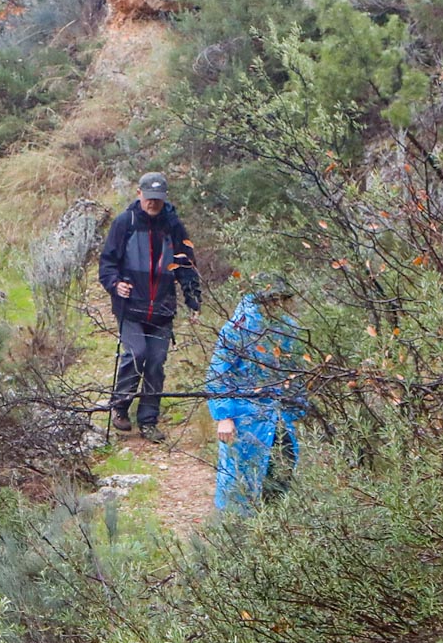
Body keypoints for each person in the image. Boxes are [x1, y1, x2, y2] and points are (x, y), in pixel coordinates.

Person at [98, 171, 201, 443]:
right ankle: (120, 406)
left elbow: (186, 265)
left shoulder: (173, 225)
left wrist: (193, 300)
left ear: (164, 198)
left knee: (155, 363)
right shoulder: (125, 222)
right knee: (136, 354)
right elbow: (107, 263)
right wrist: (115, 284)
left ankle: (148, 420)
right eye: (148, 197)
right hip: (131, 308)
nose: (152, 203)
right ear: (139, 194)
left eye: (158, 198)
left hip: (163, 310)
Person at [207, 274, 306, 513]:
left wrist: (298, 407)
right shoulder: (237, 329)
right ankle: (234, 528)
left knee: (281, 473)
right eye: (275, 299)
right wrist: (224, 416)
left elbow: (295, 372)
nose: (279, 304)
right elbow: (218, 373)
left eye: (283, 299)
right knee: (239, 480)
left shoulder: (288, 328)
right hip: (244, 417)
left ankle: (276, 526)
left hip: (279, 417)